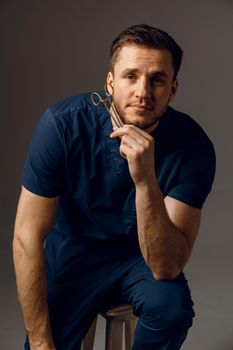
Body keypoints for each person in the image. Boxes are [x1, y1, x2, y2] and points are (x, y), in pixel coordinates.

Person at [13, 24, 216, 350]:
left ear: (173, 89)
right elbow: (26, 237)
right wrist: (40, 345)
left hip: (141, 261)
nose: (143, 92)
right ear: (109, 82)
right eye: (130, 76)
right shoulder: (62, 126)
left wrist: (145, 179)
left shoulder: (194, 146)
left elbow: (166, 267)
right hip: (72, 258)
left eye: (157, 79)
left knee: (171, 309)